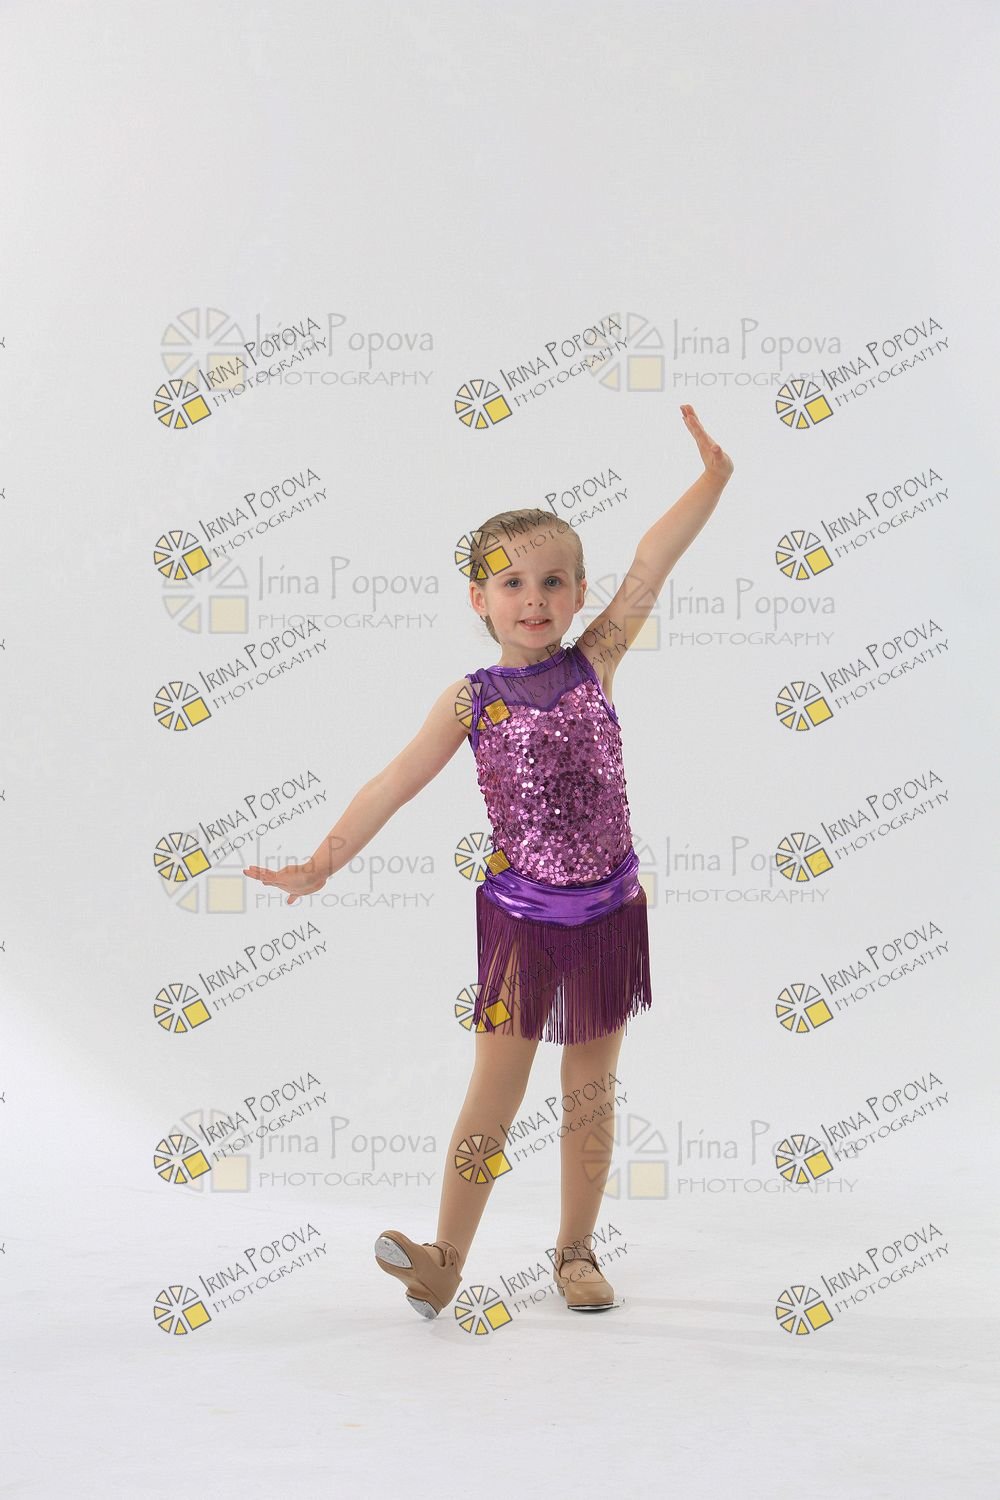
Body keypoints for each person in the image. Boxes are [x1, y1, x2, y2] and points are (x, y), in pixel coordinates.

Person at [244, 404, 734, 1318]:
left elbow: (653, 561)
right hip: (521, 921)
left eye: (553, 581)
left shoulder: (596, 660)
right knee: (494, 1094)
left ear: (579, 594)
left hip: (608, 913)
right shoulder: (470, 701)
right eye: (511, 582)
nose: (533, 598)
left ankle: (575, 1252)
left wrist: (712, 480)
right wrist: (321, 864)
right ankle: (445, 1258)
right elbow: (394, 781)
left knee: (590, 1093)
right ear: (479, 599)